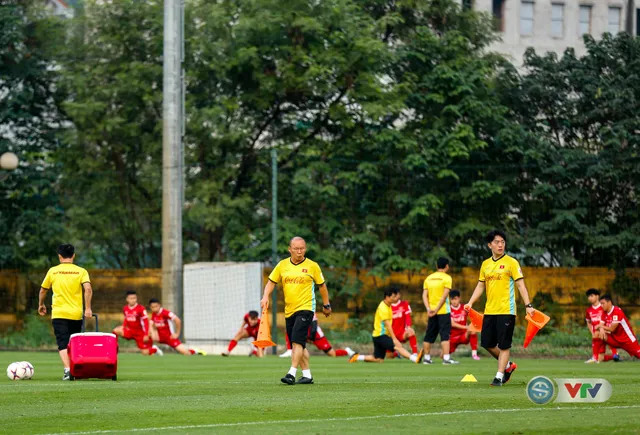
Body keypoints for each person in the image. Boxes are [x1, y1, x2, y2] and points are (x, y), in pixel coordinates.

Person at [465, 230, 535, 387]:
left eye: (503, 242)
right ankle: (508, 365)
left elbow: (521, 285)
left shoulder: (512, 262)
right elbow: (480, 285)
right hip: (489, 311)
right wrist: (470, 302)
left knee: (504, 345)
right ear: (490, 245)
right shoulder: (485, 264)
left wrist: (528, 306)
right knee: (487, 343)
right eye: (497, 242)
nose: (500, 245)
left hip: (506, 310)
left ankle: (499, 376)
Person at [261, 236, 331, 385]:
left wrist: (326, 305)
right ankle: (307, 375)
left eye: (302, 248)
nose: (300, 251)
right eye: (296, 249)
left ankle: (291, 373)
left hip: (306, 309)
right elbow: (271, 282)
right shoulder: (282, 265)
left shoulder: (313, 266)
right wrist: (265, 296)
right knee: (297, 344)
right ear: (290, 249)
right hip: (289, 311)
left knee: (297, 342)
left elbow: (322, 286)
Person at [38, 244, 94, 381]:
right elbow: (88, 289)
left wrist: (41, 304)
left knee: (62, 342)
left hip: (59, 312)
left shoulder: (53, 271)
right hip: (76, 313)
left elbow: (43, 290)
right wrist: (87, 308)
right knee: (75, 342)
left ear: (59, 256)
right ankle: (77, 369)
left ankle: (68, 370)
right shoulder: (81, 271)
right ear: (73, 255)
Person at [349, 289, 420, 363]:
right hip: (381, 336)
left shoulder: (388, 305)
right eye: (393, 297)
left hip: (377, 336)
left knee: (379, 359)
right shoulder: (383, 308)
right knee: (398, 346)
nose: (395, 298)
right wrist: (394, 339)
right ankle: (415, 359)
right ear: (387, 297)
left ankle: (356, 357)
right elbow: (388, 325)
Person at [418, 257, 458, 365]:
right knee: (445, 335)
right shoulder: (447, 278)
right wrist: (436, 309)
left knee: (429, 334)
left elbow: (424, 295)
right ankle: (446, 358)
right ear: (447, 266)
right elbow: (445, 296)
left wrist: (429, 309)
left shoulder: (429, 278)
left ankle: (426, 358)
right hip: (443, 311)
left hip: (431, 312)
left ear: (437, 266)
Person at [280, 313, 355, 358]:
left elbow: (314, 324)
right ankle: (290, 350)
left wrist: (311, 338)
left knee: (331, 353)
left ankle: (347, 351)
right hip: (304, 332)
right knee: (289, 331)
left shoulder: (309, 305)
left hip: (316, 335)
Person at [112, 291, 162, 356]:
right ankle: (115, 350)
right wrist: (123, 326)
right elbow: (126, 319)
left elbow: (146, 322)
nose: (133, 300)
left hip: (140, 333)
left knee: (145, 353)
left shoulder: (141, 308)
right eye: (131, 298)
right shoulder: (125, 308)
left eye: (134, 298)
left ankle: (155, 349)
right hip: (130, 331)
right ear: (127, 299)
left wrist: (146, 334)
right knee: (115, 331)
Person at [595, 294, 640, 360]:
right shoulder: (604, 313)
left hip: (627, 340)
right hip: (615, 340)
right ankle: (600, 356)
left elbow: (612, 329)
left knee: (638, 355)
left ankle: (611, 356)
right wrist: (601, 328)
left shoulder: (617, 311)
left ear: (609, 302)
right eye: (600, 304)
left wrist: (600, 326)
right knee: (598, 334)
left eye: (603, 303)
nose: (601, 306)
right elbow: (598, 327)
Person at [584, 289, 619, 363]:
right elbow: (588, 322)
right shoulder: (589, 310)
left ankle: (595, 357)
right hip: (598, 336)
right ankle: (614, 357)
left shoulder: (604, 307)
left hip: (606, 332)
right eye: (588, 296)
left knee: (598, 333)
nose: (589, 298)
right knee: (601, 359)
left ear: (597, 296)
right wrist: (592, 331)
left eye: (591, 296)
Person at [449, 290, 480, 360]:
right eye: (452, 299)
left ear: (459, 298)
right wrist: (466, 327)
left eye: (455, 299)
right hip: (453, 337)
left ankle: (474, 354)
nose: (454, 301)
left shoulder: (464, 307)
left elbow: (473, 316)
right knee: (443, 356)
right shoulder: (448, 309)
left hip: (463, 335)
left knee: (472, 330)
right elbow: (452, 324)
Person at [391, 288, 418, 356]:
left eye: (395, 295)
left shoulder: (404, 304)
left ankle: (415, 354)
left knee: (411, 332)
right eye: (392, 295)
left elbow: (408, 317)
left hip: (402, 333)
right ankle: (397, 354)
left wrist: (408, 326)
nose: (394, 297)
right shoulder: (387, 306)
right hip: (391, 335)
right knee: (390, 356)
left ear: (399, 295)